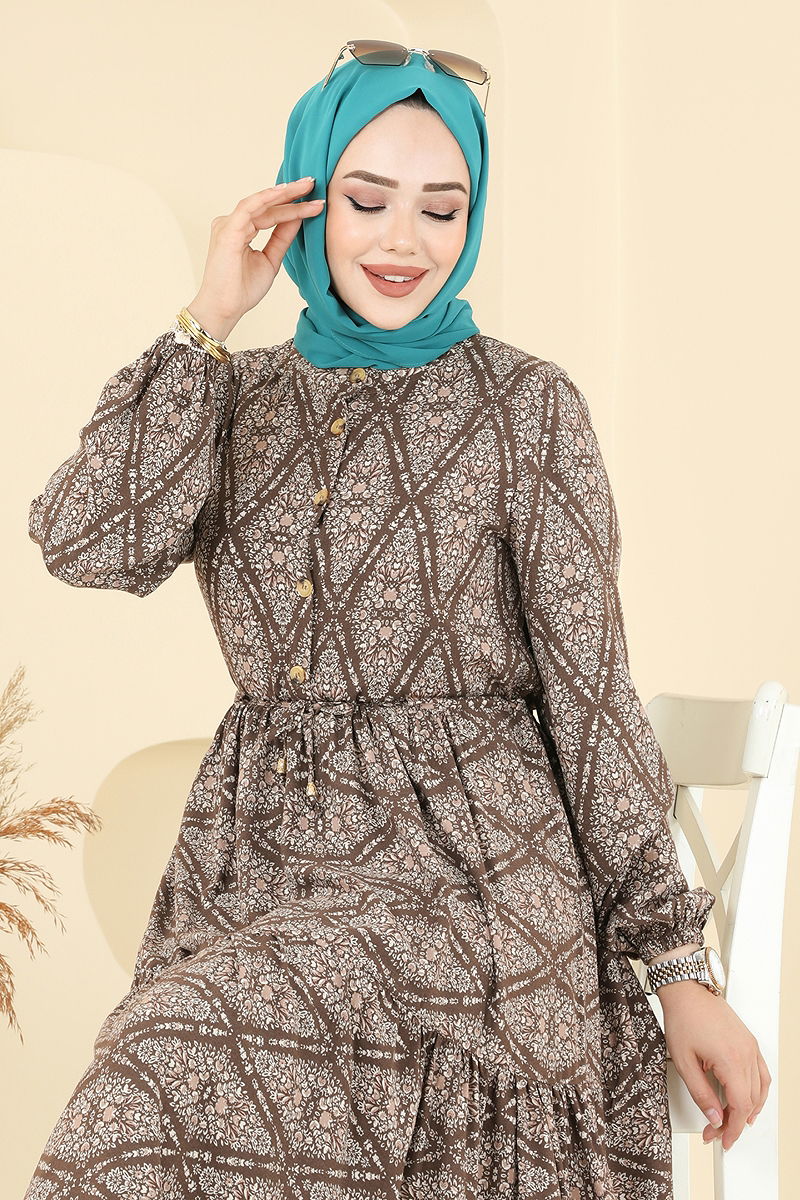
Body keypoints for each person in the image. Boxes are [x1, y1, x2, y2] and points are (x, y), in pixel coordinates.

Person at [23, 47, 769, 1200]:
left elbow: (589, 696)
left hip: (473, 882)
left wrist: (675, 965)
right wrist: (206, 317)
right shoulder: (231, 396)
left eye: (440, 208)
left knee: (183, 1044)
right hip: (261, 873)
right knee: (162, 1055)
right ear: (304, 201)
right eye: (365, 201)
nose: (402, 241)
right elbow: (89, 544)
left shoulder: (525, 406)